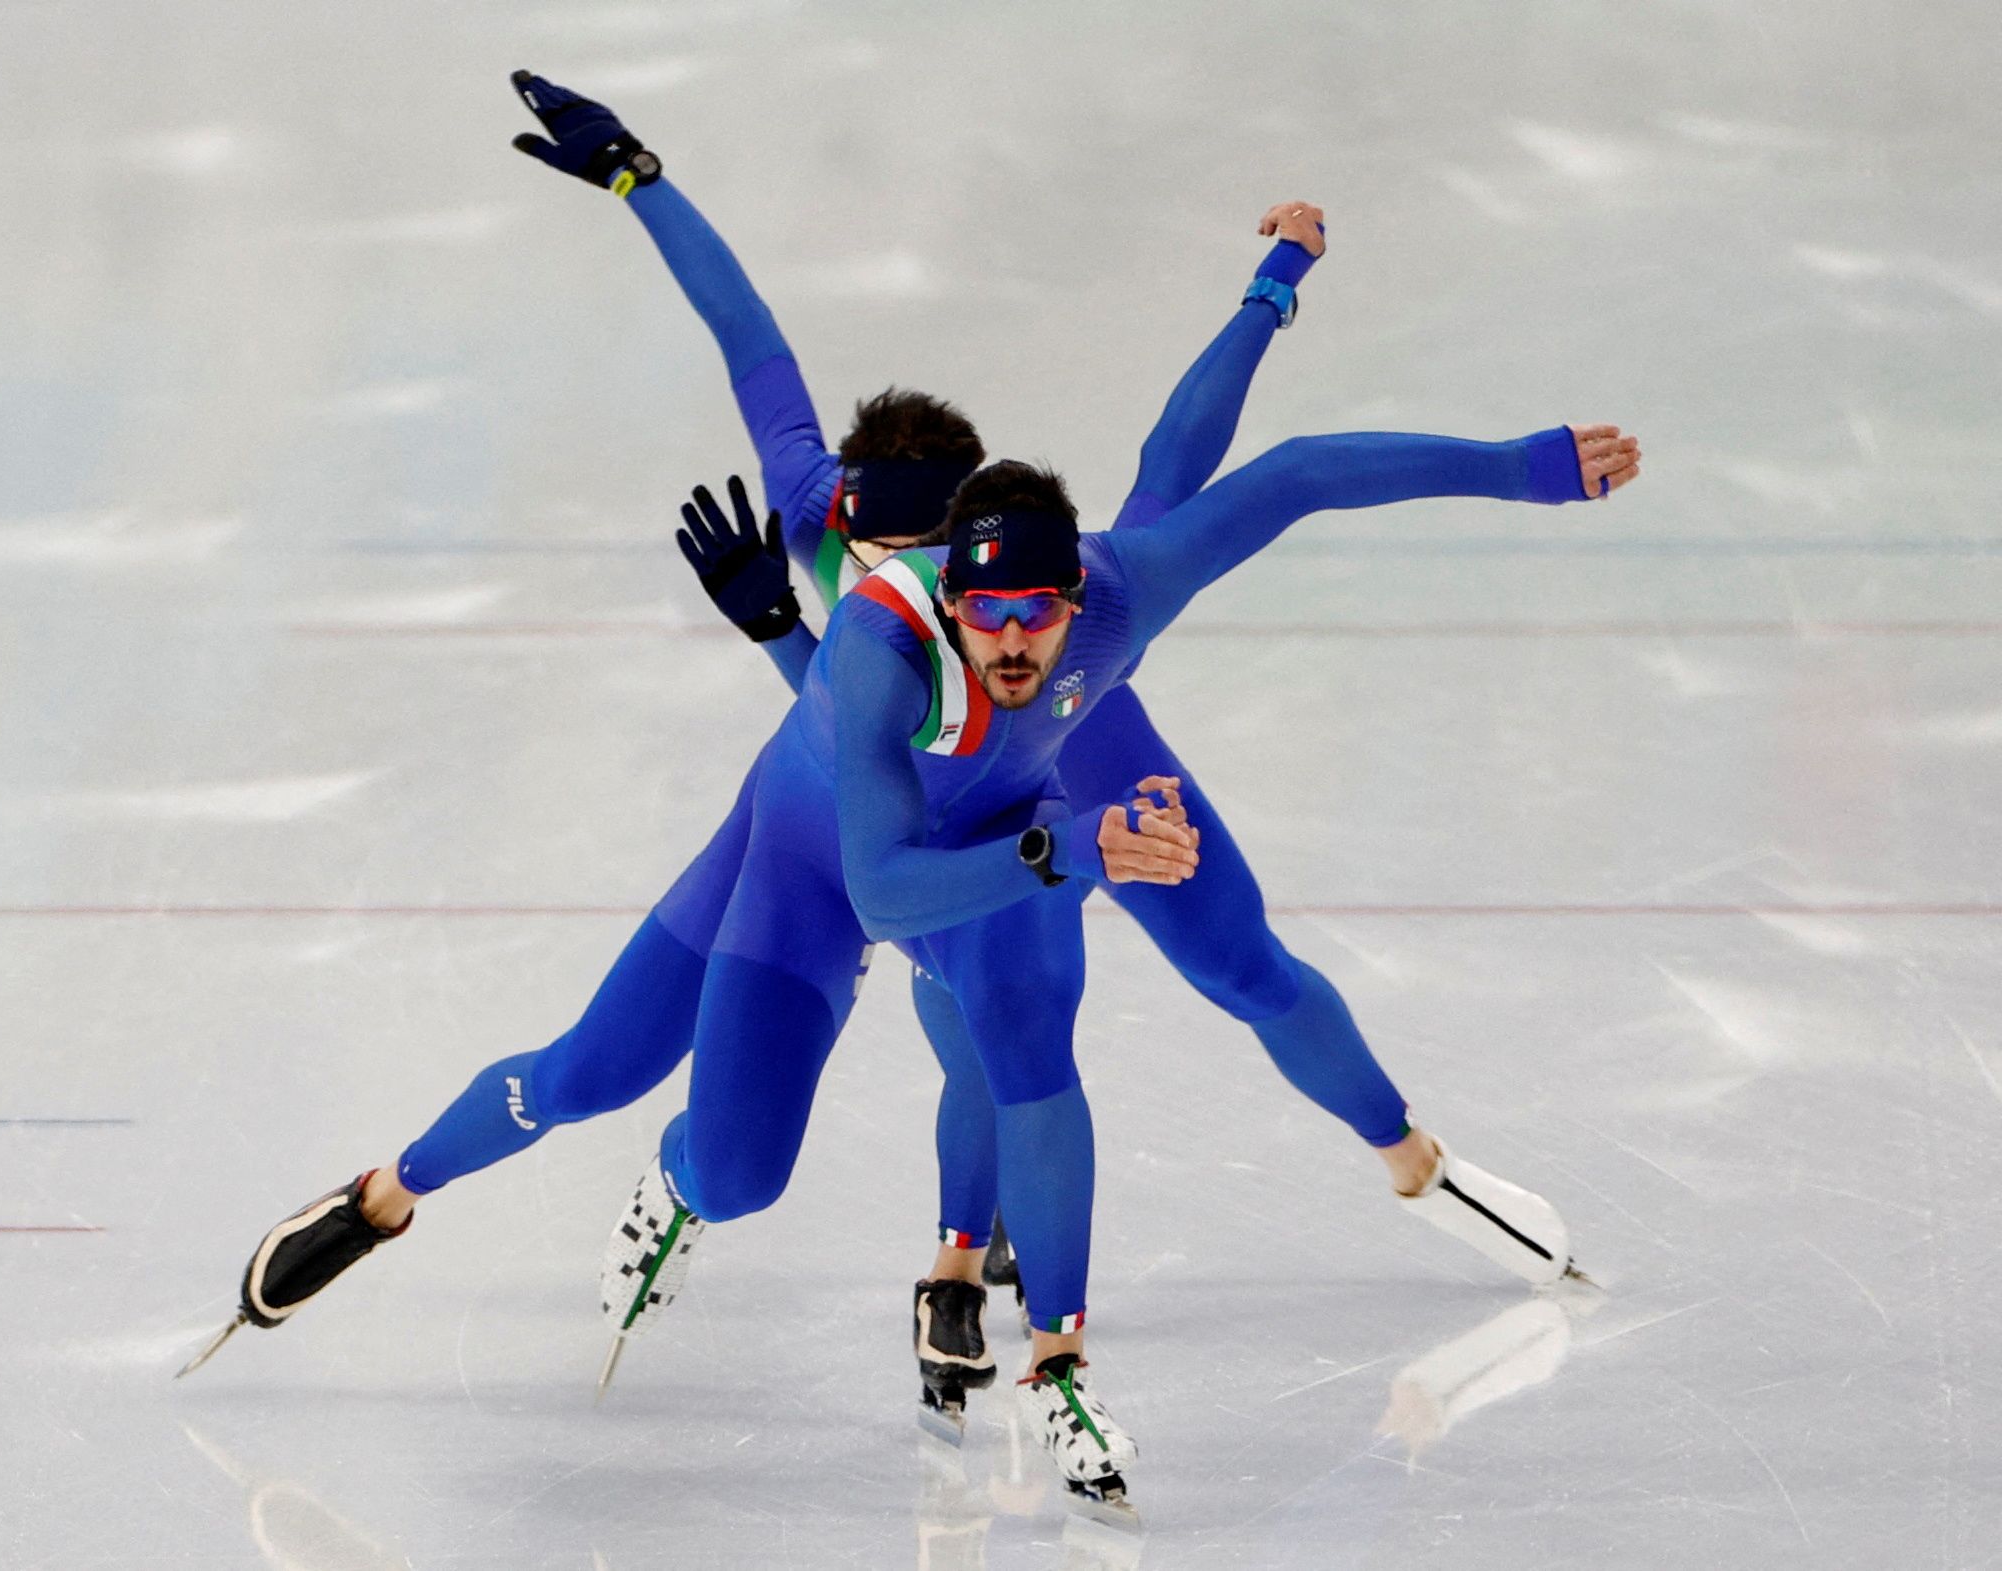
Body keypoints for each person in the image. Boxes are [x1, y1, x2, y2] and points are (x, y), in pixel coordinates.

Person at [502, 73, 1635, 1432]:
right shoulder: (822, 527)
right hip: (924, 819)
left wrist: (1282, 298)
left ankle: (1411, 1159)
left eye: (939, 555)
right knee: (973, 1017)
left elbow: (1224, 474)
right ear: (842, 516)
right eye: (886, 552)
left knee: (1239, 967)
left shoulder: (1072, 591)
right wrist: (640, 178)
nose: (914, 579)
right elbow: (747, 333)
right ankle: (949, 1258)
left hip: (1086, 761)